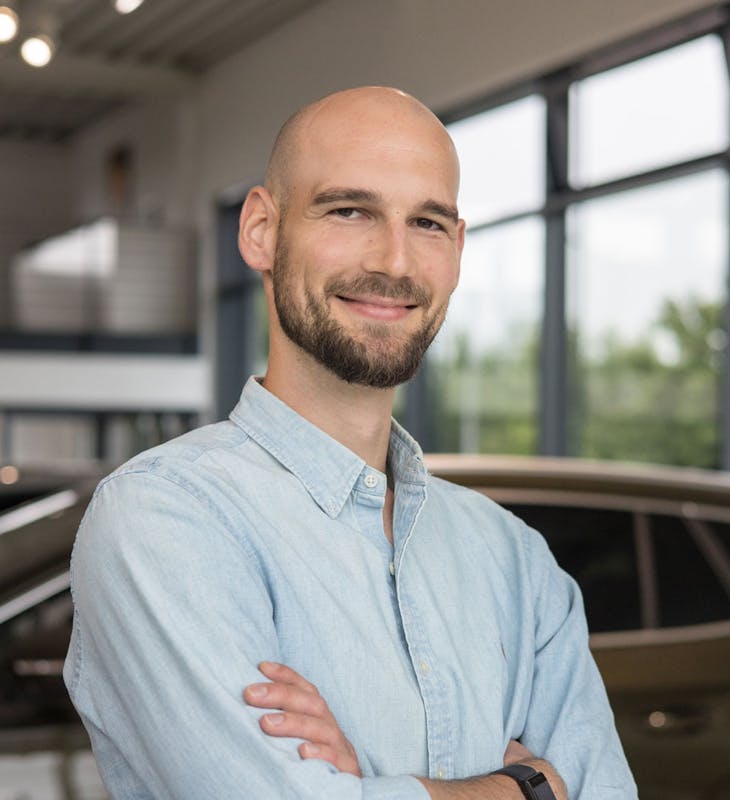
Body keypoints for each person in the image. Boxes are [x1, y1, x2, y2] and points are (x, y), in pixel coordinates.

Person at [65, 86, 637, 800]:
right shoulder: (163, 520)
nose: (395, 261)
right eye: (350, 210)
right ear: (261, 232)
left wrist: (366, 784)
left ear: (457, 252)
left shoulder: (515, 560)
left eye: (427, 223)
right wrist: (525, 786)